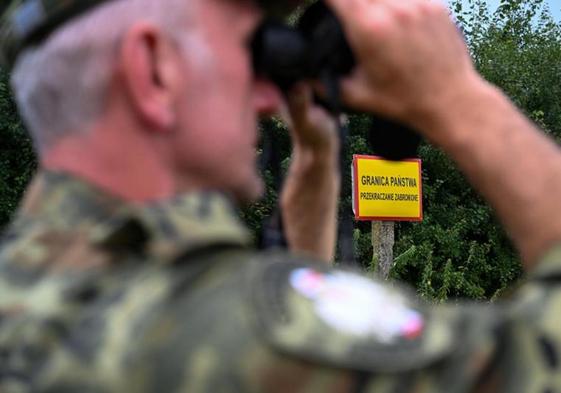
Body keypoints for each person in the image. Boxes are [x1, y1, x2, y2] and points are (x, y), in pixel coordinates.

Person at [0, 0, 560, 392]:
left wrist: (316, 164)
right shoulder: (233, 328)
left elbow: (286, 317)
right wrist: (455, 98)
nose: (269, 95)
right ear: (153, 72)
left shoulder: (40, 294)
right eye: (252, 52)